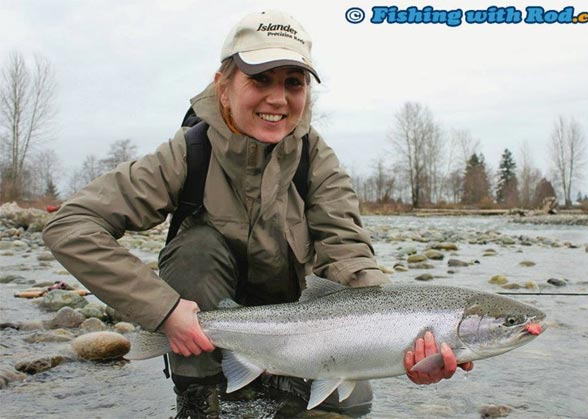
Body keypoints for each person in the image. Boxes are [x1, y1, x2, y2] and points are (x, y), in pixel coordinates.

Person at [42, 10, 472, 419]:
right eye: (260, 79)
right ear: (223, 85)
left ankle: (279, 377)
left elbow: (348, 254)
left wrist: (400, 338)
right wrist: (163, 310)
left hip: (300, 327)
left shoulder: (315, 159)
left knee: (351, 406)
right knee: (195, 248)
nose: (278, 98)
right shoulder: (187, 153)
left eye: (294, 82)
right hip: (200, 322)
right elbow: (70, 225)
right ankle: (199, 394)